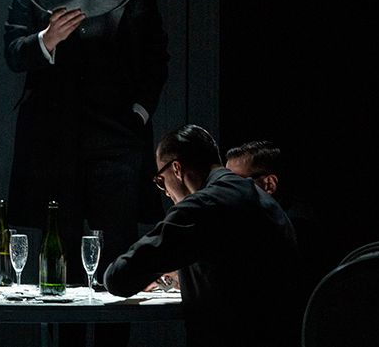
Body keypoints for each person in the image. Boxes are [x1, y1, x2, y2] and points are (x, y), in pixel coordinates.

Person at [4, 0, 169, 346]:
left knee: (118, 254)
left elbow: (156, 56)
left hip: (116, 138)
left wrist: (139, 113)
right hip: (52, 140)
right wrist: (46, 40)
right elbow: (13, 53)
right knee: (60, 255)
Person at [104, 124, 302, 347]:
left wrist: (155, 266)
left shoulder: (200, 207)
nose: (166, 192)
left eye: (161, 181)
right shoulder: (258, 196)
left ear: (176, 169)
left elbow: (118, 278)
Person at [225, 140, 326, 298]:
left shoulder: (295, 226)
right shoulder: (264, 219)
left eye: (234, 182)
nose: (222, 191)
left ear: (269, 184)